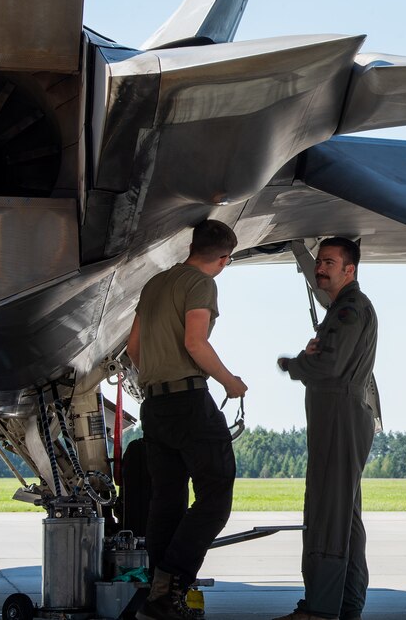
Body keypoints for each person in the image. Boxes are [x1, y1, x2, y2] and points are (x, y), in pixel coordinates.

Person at [126, 219, 248, 620]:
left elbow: (133, 346)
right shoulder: (201, 283)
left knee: (167, 500)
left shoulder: (155, 284)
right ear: (224, 258)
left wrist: (155, 375)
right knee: (215, 494)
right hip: (188, 401)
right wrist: (230, 382)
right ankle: (171, 583)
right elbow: (195, 342)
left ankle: (159, 598)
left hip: (154, 406)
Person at [273, 237, 381, 620]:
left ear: (349, 270)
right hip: (341, 416)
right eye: (319, 262)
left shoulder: (349, 308)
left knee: (326, 513)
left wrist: (295, 364)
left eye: (329, 263)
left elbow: (328, 366)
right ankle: (347, 604)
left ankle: (319, 609)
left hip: (338, 415)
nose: (320, 268)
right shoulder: (345, 308)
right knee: (345, 517)